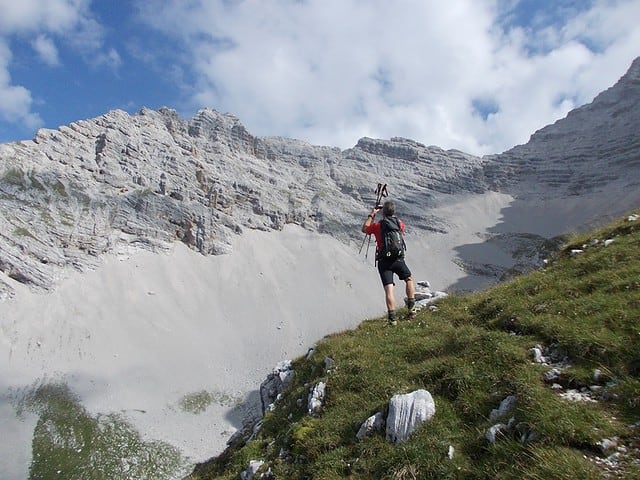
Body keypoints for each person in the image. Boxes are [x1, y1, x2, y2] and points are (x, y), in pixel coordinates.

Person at [361, 200, 416, 326]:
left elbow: (364, 229)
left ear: (383, 213)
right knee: (408, 279)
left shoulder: (378, 226)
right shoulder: (399, 224)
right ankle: (411, 310)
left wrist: (372, 214)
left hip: (384, 261)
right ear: (394, 212)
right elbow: (400, 231)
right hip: (398, 258)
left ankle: (392, 320)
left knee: (389, 289)